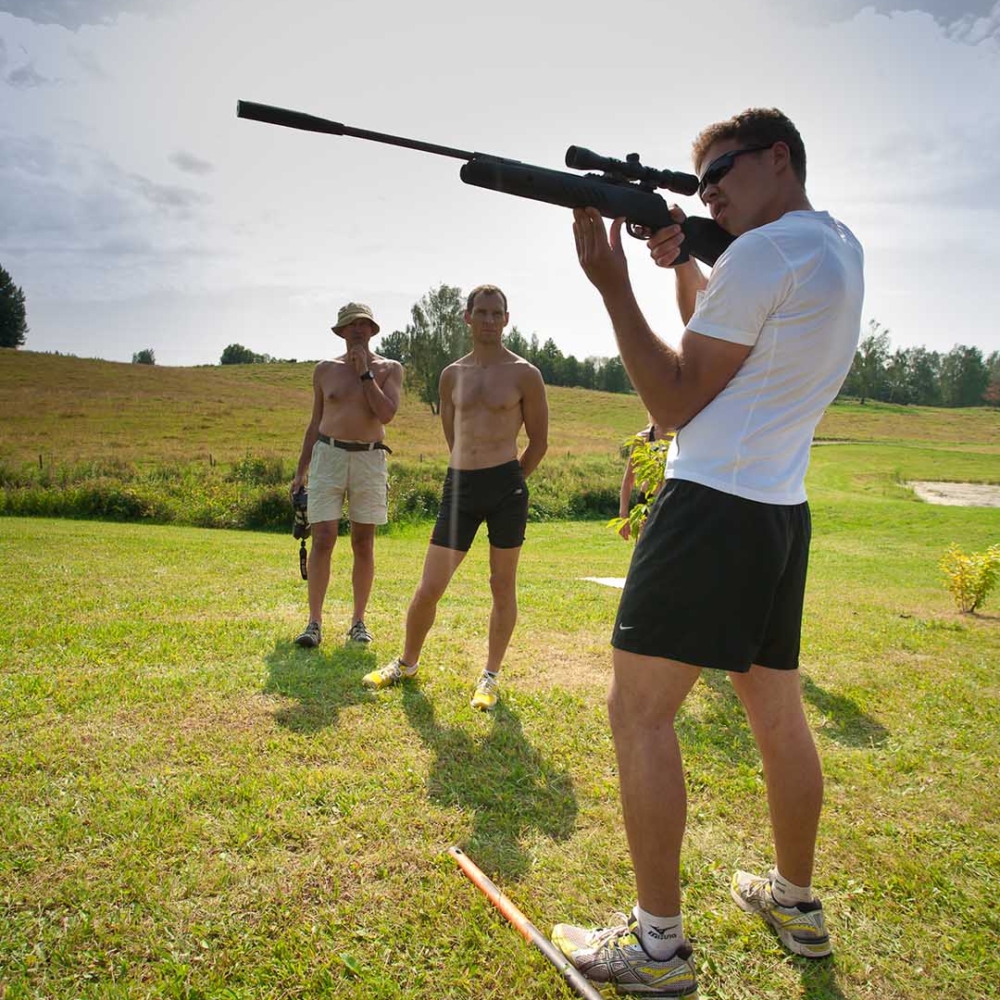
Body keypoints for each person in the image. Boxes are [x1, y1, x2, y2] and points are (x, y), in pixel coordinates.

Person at [551, 108, 864, 996]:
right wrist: (685, 255)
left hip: (711, 504)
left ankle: (657, 950)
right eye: (699, 181)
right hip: (776, 512)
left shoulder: (761, 254)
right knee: (777, 719)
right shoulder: (836, 246)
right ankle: (795, 903)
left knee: (639, 715)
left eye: (722, 169)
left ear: (779, 156)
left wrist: (613, 285)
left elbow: (677, 398)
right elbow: (741, 346)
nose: (710, 188)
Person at [362, 284, 548, 711]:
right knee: (430, 586)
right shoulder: (451, 375)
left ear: (506, 318)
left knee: (501, 585)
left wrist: (510, 480)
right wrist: (470, 468)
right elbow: (452, 435)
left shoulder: (525, 374)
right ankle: (406, 663)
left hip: (507, 487)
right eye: (480, 312)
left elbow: (538, 442)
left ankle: (490, 676)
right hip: (460, 485)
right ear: (466, 317)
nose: (487, 320)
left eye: (495, 313)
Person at [291, 302, 403, 648]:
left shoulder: (389, 369)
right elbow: (314, 424)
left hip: (369, 459)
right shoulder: (324, 370)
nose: (357, 329)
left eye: (363, 324)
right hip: (328, 455)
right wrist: (300, 472)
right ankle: (314, 623)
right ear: (340, 332)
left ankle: (358, 622)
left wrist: (365, 374)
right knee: (323, 538)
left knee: (362, 542)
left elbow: (386, 414)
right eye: (350, 325)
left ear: (372, 330)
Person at [617, 417, 664, 541]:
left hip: (673, 502)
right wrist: (624, 515)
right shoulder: (643, 438)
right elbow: (629, 479)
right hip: (647, 502)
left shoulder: (681, 436)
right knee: (644, 550)